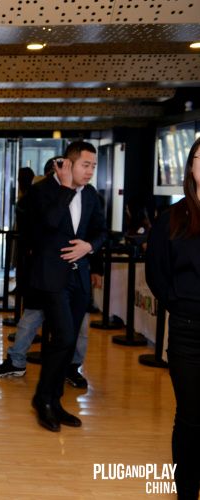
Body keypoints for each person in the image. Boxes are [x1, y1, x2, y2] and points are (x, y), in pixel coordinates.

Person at [19, 141, 106, 432]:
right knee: (65, 337)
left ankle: (53, 400)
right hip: (51, 278)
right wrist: (67, 189)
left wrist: (89, 246)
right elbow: (48, 225)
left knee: (67, 343)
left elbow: (101, 231)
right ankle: (43, 399)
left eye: (93, 166)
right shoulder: (42, 191)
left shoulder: (91, 195)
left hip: (78, 278)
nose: (90, 171)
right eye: (85, 165)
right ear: (68, 164)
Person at [146, 136, 200, 500]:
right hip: (188, 333)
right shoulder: (173, 218)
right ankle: (186, 492)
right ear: (191, 165)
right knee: (191, 417)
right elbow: (156, 274)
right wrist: (179, 305)